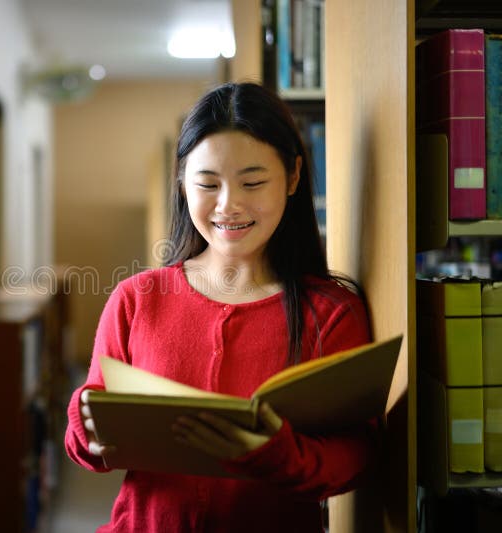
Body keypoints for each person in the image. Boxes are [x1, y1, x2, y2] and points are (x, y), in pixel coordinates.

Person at [64, 81, 377, 532]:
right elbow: (87, 433)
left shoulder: (331, 314)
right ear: (182, 183)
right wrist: (86, 424)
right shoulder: (137, 299)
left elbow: (358, 457)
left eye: (252, 182)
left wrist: (279, 453)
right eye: (208, 183)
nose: (228, 205)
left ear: (292, 177)